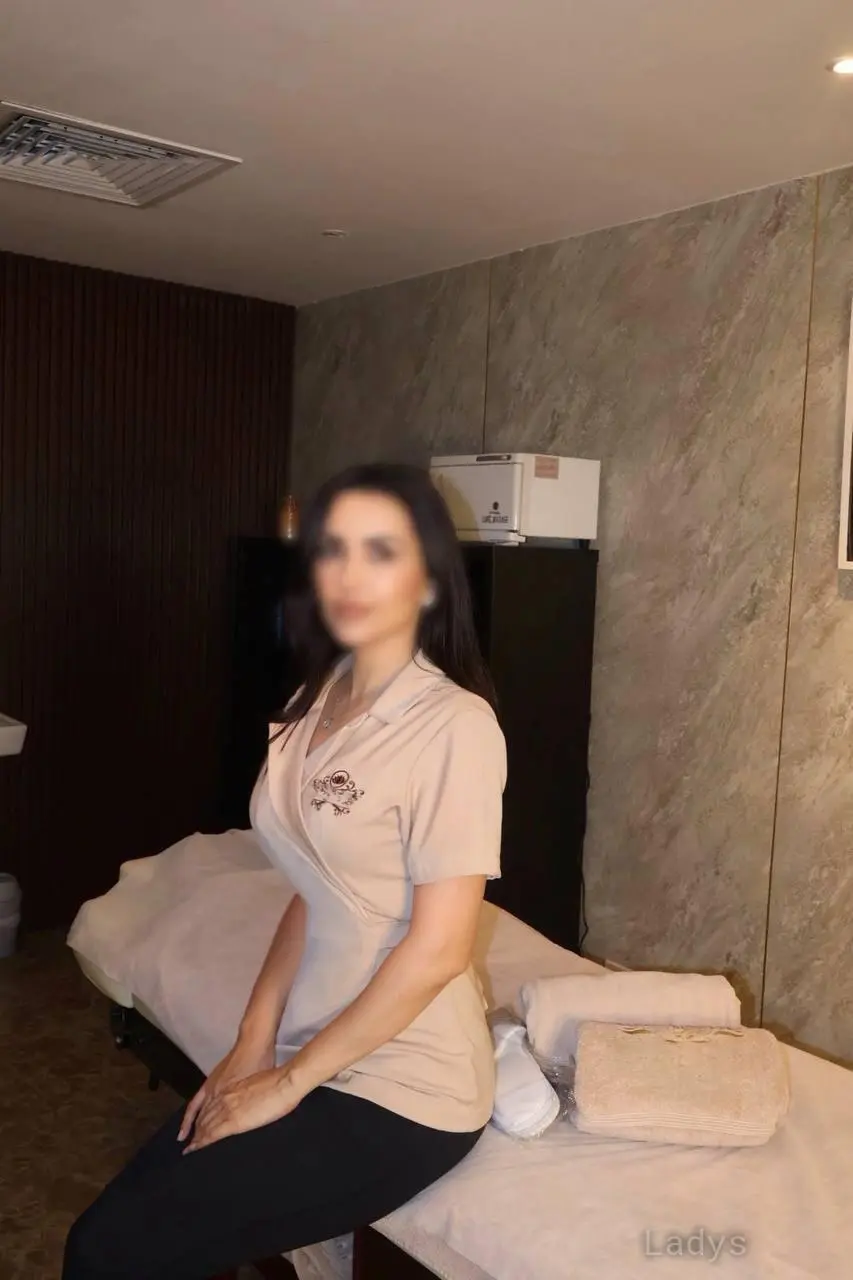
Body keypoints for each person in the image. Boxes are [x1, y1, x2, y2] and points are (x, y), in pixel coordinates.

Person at [63, 462, 507, 1279]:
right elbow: (312, 890)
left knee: (108, 1249)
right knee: (121, 1234)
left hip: (407, 1088)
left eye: (380, 551)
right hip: (313, 1045)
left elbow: (440, 950)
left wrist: (290, 1081)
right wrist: (251, 1044)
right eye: (332, 549)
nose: (348, 574)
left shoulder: (453, 725)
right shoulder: (319, 695)